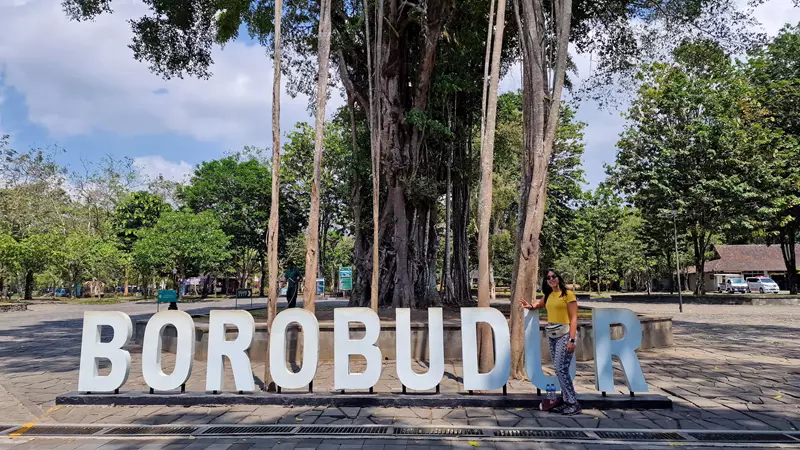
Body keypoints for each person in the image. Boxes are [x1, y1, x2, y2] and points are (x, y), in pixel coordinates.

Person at [519, 269, 581, 415]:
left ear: (559, 278)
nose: (551, 279)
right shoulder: (548, 296)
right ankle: (567, 401)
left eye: (554, 276)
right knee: (559, 369)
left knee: (561, 368)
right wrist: (530, 306)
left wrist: (571, 339)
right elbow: (540, 304)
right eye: (548, 278)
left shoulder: (568, 294)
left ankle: (573, 402)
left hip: (565, 334)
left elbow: (574, 318)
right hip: (553, 334)